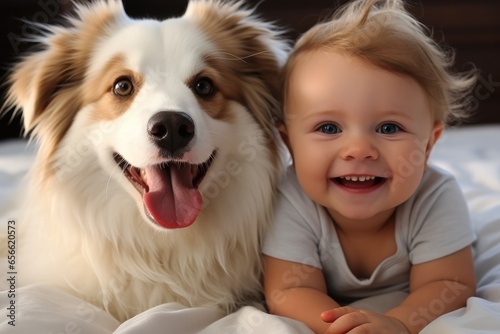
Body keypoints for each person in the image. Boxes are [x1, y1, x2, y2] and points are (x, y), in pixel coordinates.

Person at [262, 0, 478, 333]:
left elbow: (450, 284)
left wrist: (398, 323)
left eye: (389, 128)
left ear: (429, 144)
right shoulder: (289, 199)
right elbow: (288, 290)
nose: (358, 150)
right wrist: (342, 327)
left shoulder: (435, 197)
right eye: (329, 128)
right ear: (289, 143)